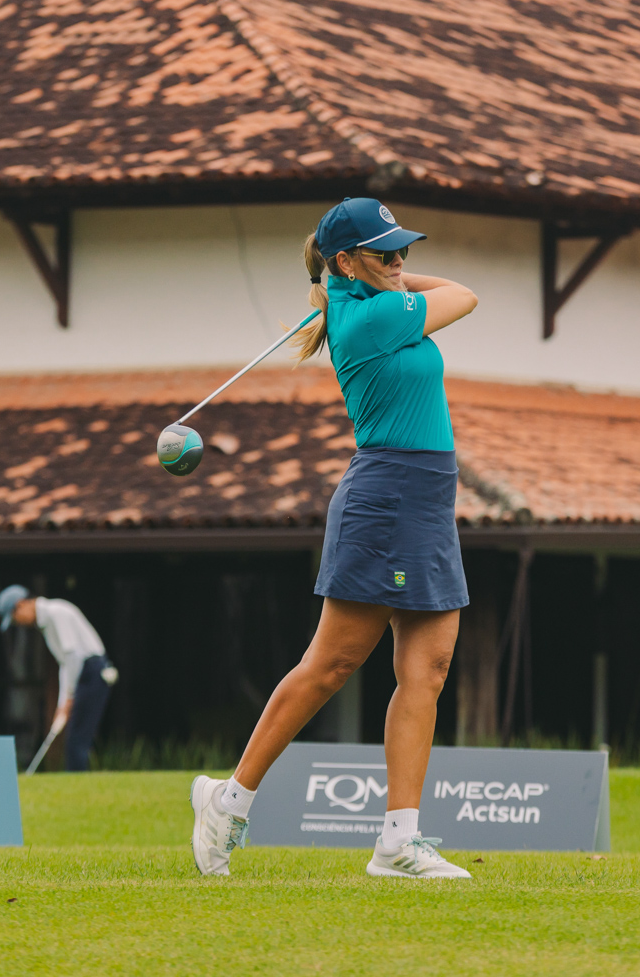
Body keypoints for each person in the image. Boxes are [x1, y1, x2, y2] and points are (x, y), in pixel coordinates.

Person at [189, 198, 479, 879]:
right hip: (387, 499)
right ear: (346, 259)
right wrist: (373, 283)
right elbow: (465, 295)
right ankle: (228, 802)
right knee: (332, 664)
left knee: (429, 668)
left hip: (426, 501)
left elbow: (433, 288)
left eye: (404, 250)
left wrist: (368, 275)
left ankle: (398, 843)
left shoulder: (364, 301)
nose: (401, 261)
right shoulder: (373, 317)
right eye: (386, 252)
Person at [0, 585, 117, 771]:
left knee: (77, 739)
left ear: (20, 605)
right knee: (75, 738)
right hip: (84, 672)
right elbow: (65, 664)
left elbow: (73, 657)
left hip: (92, 672)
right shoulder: (45, 622)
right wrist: (62, 705)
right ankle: (77, 780)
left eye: (14, 618)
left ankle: (77, 784)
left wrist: (69, 696)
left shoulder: (56, 612)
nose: (18, 623)